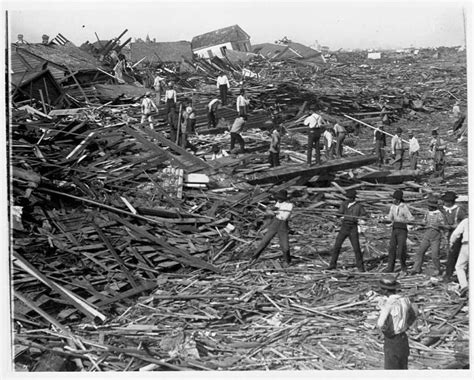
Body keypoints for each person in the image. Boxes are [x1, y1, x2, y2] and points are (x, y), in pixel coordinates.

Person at [377, 275, 418, 369]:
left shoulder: (388, 304)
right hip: (403, 339)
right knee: (403, 366)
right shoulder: (405, 300)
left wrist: (387, 332)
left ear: (385, 290)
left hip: (392, 340)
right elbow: (414, 314)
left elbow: (380, 323)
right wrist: (406, 325)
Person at [251, 190, 293, 266]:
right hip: (275, 223)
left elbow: (285, 215)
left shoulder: (289, 205)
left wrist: (274, 213)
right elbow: (275, 208)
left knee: (285, 245)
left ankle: (287, 261)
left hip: (283, 224)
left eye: (280, 198)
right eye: (278, 198)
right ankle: (254, 257)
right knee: (264, 241)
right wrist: (269, 209)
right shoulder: (278, 203)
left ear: (284, 199)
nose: (279, 200)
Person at [328, 189, 367, 272]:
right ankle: (332, 264)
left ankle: (360, 267)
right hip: (344, 227)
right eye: (347, 197)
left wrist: (361, 219)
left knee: (356, 248)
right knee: (337, 246)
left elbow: (364, 215)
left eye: (349, 197)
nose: (347, 199)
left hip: (353, 228)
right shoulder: (344, 204)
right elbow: (339, 213)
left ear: (353, 198)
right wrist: (335, 216)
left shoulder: (358, 206)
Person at [410, 195, 445, 275]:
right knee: (420, 252)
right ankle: (416, 268)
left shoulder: (439, 214)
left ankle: (438, 269)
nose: (428, 207)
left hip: (435, 237)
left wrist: (436, 225)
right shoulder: (427, 213)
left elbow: (443, 225)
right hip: (427, 235)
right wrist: (421, 224)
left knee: (435, 255)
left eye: (430, 206)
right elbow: (424, 222)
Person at [385, 190, 414, 274]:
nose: (393, 200)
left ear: (398, 199)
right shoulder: (392, 207)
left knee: (401, 249)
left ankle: (403, 267)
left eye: (394, 199)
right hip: (394, 229)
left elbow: (411, 218)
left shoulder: (404, 207)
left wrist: (406, 222)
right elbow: (390, 218)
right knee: (392, 248)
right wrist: (386, 221)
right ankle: (390, 267)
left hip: (402, 229)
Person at [441, 191, 467, 282]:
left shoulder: (459, 210)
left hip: (459, 234)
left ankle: (450, 274)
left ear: (451, 202)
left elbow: (465, 223)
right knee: (449, 252)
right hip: (448, 232)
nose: (445, 203)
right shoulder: (444, 210)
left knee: (453, 253)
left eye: (447, 201)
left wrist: (455, 226)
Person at [451, 217, 469, 297]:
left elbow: (455, 233)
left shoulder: (466, 220)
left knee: (459, 266)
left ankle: (464, 286)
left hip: (467, 245)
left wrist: (451, 243)